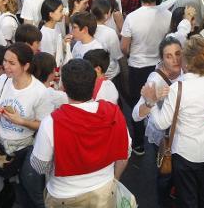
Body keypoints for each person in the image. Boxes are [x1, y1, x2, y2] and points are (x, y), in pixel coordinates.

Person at [30, 58, 131, 206]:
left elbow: (39, 165)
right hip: (104, 188)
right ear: (94, 82)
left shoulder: (51, 122)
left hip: (64, 195)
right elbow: (125, 152)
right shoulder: (113, 112)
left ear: (64, 86)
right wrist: (114, 178)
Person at [0, 43, 51, 207]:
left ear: (26, 66)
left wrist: (21, 121)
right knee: (4, 190)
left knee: (30, 191)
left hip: (27, 149)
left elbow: (45, 126)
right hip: (2, 146)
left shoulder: (39, 92)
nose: (5, 66)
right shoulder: (2, 80)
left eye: (12, 63)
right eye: (4, 61)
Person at [121, 0, 172, 155]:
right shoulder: (168, 14)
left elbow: (124, 47)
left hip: (137, 67)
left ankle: (138, 144)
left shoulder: (132, 18)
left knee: (138, 104)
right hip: (161, 68)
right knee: (162, 104)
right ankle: (161, 141)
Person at [132, 37, 183, 205]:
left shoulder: (187, 71)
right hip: (163, 137)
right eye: (168, 56)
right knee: (165, 174)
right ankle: (163, 202)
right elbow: (135, 115)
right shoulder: (155, 79)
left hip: (182, 133)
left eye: (178, 53)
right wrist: (151, 101)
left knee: (179, 172)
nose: (175, 59)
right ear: (161, 59)